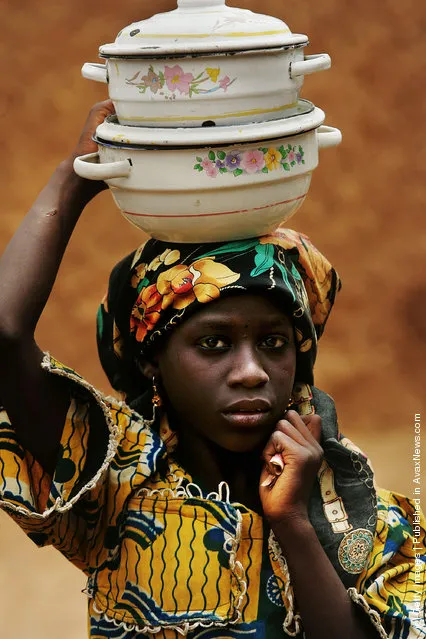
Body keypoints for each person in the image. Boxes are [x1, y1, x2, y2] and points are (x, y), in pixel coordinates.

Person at [0, 101, 424, 639]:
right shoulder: (114, 488)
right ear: (152, 359)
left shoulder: (378, 527)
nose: (250, 372)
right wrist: (76, 176)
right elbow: (5, 334)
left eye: (273, 342)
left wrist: (292, 524)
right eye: (213, 343)